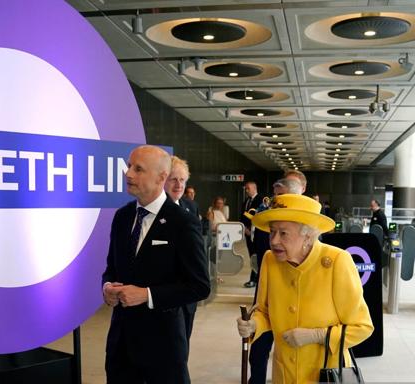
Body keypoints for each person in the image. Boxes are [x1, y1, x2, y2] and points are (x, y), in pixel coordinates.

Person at [236, 194, 373, 383]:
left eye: (283, 233)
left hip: (326, 374)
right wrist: (254, 325)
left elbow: (362, 327)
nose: (274, 240)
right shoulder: (270, 260)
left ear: (307, 236)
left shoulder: (337, 262)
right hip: (284, 375)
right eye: (272, 231)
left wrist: (315, 336)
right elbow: (265, 312)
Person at [102, 145, 210, 383]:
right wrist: (107, 286)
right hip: (121, 346)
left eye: (138, 169)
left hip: (162, 348)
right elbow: (111, 267)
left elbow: (200, 286)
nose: (128, 174)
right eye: (129, 166)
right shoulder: (122, 217)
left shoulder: (183, 222)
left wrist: (147, 295)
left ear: (161, 177)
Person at [247, 177, 303, 384]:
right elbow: (262, 254)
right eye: (276, 196)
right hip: (269, 295)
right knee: (259, 347)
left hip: (299, 303)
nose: (277, 202)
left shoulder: (310, 229)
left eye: (283, 196)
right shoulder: (265, 221)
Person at [164, 155, 202, 344]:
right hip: (165, 297)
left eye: (182, 180)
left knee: (183, 346)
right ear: (162, 179)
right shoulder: (152, 210)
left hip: (188, 299)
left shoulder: (191, 206)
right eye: (173, 179)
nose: (179, 185)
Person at [241, 181, 261, 288]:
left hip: (256, 233)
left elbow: (260, 217)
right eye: (246, 188)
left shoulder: (261, 200)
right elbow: (243, 216)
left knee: (255, 256)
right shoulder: (246, 201)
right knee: (252, 256)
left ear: (254, 188)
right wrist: (243, 228)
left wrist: (251, 229)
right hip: (247, 233)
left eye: (248, 188)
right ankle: (255, 278)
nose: (246, 190)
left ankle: (254, 279)